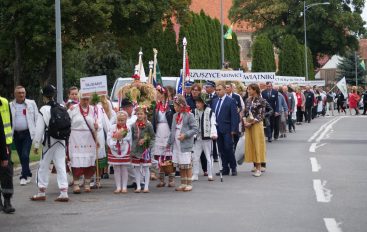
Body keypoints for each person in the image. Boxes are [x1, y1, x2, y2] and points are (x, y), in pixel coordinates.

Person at [31, 85, 69, 202]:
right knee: (61, 165)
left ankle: (41, 192)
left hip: (49, 141)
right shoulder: (62, 106)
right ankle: (64, 192)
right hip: (61, 140)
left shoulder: (43, 109)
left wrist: (36, 145)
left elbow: (39, 130)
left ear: (44, 96)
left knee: (43, 165)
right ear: (54, 94)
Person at [68, 95, 99, 194]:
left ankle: (87, 183)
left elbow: (99, 123)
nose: (85, 101)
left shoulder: (94, 109)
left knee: (89, 160)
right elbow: (67, 122)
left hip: (89, 137)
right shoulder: (73, 109)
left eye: (87, 99)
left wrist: (97, 126)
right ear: (79, 99)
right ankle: (76, 184)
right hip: (75, 137)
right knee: (76, 160)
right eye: (83, 99)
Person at [167, 95, 197, 191]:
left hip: (185, 144)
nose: (174, 108)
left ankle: (189, 183)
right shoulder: (175, 115)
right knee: (181, 165)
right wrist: (169, 142)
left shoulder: (189, 115)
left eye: (176, 106)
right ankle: (183, 183)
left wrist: (185, 135)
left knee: (187, 164)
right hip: (176, 144)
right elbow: (172, 130)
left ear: (181, 105)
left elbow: (195, 129)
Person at [10, 86, 38, 185]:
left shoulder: (31, 103)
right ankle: (28, 173)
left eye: (23, 92)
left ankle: (23, 176)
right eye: (19, 93)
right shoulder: (11, 105)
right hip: (16, 134)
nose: (21, 95)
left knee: (25, 154)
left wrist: (38, 133)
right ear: (15, 94)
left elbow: (36, 118)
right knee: (21, 156)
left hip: (28, 133)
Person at [212, 83, 239, 176]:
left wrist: (233, 129)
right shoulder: (214, 101)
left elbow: (234, 116)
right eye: (217, 90)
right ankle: (225, 168)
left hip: (227, 129)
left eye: (219, 90)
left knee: (228, 148)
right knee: (221, 149)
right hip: (217, 129)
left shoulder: (231, 101)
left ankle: (233, 167)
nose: (218, 92)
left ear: (224, 90)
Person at [152, 85, 175, 188]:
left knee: (169, 156)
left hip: (168, 130)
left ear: (164, 94)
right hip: (159, 131)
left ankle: (171, 179)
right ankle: (161, 180)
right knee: (160, 156)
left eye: (159, 94)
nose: (158, 96)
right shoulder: (156, 106)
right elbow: (153, 120)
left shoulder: (171, 105)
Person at [243, 83, 266, 177]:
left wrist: (251, 123)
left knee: (258, 145)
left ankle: (259, 168)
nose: (248, 91)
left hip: (256, 124)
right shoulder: (248, 100)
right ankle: (255, 165)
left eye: (249, 89)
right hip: (248, 124)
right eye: (248, 89)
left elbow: (261, 115)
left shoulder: (261, 100)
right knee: (251, 145)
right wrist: (244, 121)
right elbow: (245, 112)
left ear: (255, 90)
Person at [192, 93, 217, 181]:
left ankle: (210, 174)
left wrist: (213, 133)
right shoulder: (194, 111)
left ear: (203, 103)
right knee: (195, 157)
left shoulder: (210, 111)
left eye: (199, 102)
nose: (197, 104)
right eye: (196, 102)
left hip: (207, 138)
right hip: (197, 138)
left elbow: (213, 123)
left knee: (209, 157)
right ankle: (195, 174)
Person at [130, 106, 155, 193]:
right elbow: (132, 137)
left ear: (145, 115)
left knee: (146, 167)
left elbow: (152, 137)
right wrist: (133, 146)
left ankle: (146, 186)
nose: (139, 115)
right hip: (136, 150)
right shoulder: (133, 125)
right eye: (138, 114)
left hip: (145, 149)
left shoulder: (148, 125)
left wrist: (146, 142)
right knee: (136, 168)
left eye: (141, 114)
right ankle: (138, 186)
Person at [107, 111, 131, 193]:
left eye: (122, 120)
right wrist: (113, 143)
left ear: (126, 120)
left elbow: (129, 138)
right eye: (119, 120)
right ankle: (118, 187)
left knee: (124, 168)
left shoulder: (128, 128)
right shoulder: (112, 127)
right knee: (116, 168)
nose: (120, 122)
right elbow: (109, 137)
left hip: (124, 149)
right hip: (114, 150)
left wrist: (121, 137)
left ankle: (124, 187)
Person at [0, 96, 15, 213]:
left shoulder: (4, 102)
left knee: (6, 174)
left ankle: (7, 201)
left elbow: (8, 121)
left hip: (5, 144)